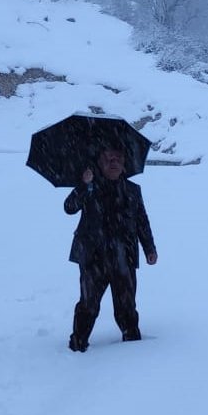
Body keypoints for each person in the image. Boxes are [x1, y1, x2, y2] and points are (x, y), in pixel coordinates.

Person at [63, 147, 157, 351]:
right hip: (92, 257)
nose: (113, 163)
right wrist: (83, 185)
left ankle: (133, 344)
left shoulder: (132, 190)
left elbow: (142, 221)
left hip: (124, 255)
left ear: (124, 164)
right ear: (99, 163)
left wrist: (150, 248)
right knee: (88, 304)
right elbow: (69, 207)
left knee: (126, 306)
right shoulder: (89, 186)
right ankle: (78, 345)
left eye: (118, 159)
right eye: (108, 159)